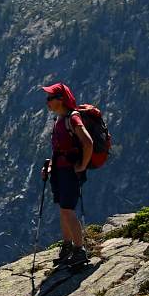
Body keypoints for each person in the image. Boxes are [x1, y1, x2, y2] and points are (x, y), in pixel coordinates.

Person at [41, 82, 94, 268]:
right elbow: (60, 149)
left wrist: (82, 166)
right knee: (63, 208)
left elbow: (88, 143)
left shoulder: (73, 119)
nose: (47, 101)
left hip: (70, 172)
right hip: (60, 170)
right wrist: (50, 167)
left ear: (60, 100)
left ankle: (79, 250)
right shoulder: (59, 120)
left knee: (67, 209)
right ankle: (67, 247)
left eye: (50, 98)